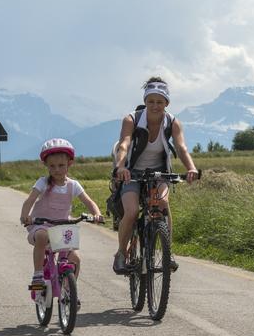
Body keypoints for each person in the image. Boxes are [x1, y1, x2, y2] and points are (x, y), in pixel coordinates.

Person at [110, 77, 200, 274]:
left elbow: (181, 147)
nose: (155, 106)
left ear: (166, 103)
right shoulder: (131, 119)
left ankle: (168, 253)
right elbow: (124, 144)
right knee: (132, 211)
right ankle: (121, 254)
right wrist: (121, 167)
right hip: (131, 172)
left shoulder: (173, 122)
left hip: (159, 172)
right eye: (151, 101)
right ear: (145, 101)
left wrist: (191, 168)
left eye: (160, 102)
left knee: (163, 205)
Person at [20, 138, 103, 291]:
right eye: (52, 166)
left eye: (61, 165)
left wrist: (97, 214)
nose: (57, 169)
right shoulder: (43, 183)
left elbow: (89, 201)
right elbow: (29, 200)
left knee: (75, 258)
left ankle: (69, 292)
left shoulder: (73, 185)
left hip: (62, 228)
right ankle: (38, 275)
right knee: (42, 236)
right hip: (41, 225)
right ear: (46, 165)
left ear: (69, 164)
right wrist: (25, 216)